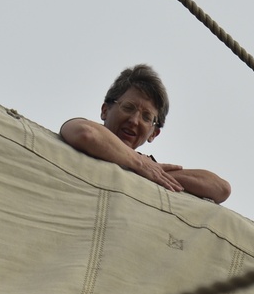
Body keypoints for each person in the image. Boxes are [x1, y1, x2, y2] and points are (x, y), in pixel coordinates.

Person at [60, 65, 231, 204]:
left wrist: (152, 173)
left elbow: (220, 188)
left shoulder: (153, 171)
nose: (134, 120)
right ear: (105, 110)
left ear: (153, 134)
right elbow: (85, 133)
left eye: (146, 117)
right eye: (128, 108)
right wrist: (139, 164)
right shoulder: (86, 132)